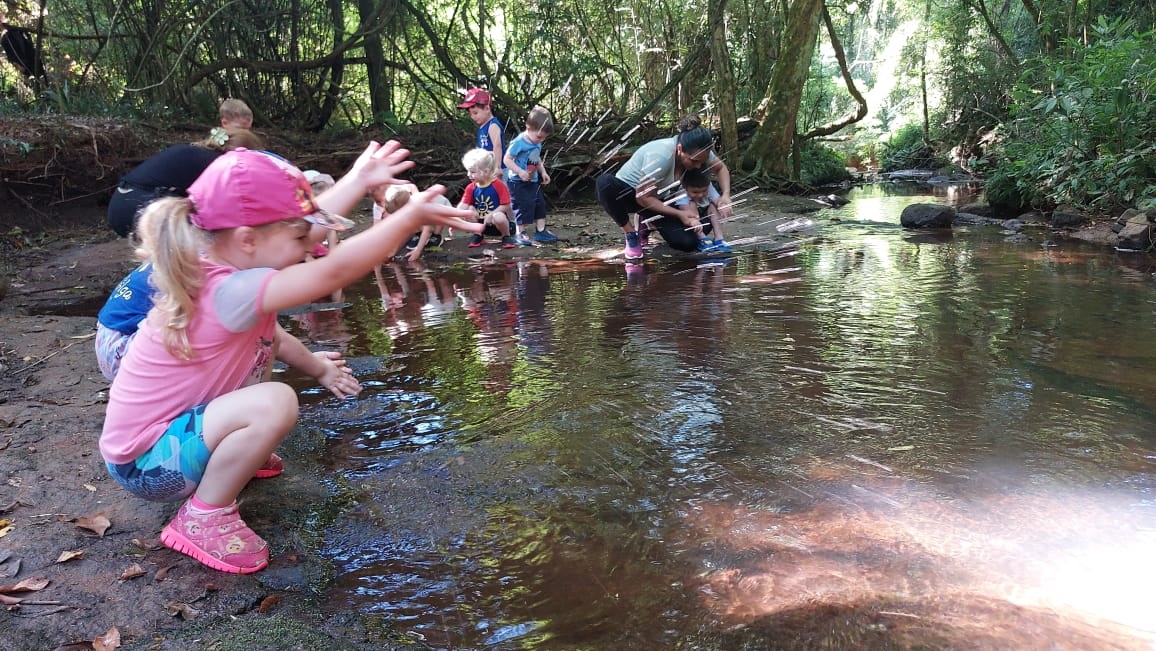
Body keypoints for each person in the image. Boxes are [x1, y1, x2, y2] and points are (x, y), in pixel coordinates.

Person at [99, 143, 481, 575]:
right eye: (300, 237)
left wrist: (357, 182)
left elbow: (293, 237)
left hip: (157, 450)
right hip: (146, 465)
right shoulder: (233, 291)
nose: (311, 242)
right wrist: (405, 219)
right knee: (275, 400)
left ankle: (233, 454)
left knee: (263, 356)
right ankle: (202, 516)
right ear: (247, 240)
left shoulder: (222, 260)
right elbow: (330, 272)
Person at [595, 115, 733, 261]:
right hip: (630, 194)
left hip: (659, 199)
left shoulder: (700, 152)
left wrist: (725, 195)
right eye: (694, 161)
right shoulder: (661, 154)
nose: (699, 166)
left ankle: (647, 223)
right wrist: (679, 214)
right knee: (604, 182)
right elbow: (643, 197)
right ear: (680, 149)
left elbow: (720, 168)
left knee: (687, 242)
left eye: (702, 161)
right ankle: (631, 235)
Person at [107, 127, 264, 238]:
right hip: (139, 207)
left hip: (121, 203)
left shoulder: (195, 153)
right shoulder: (217, 163)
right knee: (206, 237)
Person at [504, 105, 557, 245]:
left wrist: (543, 172)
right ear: (528, 128)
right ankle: (520, 232)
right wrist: (520, 171)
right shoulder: (519, 143)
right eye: (539, 137)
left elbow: (536, 158)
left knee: (539, 204)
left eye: (544, 138)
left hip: (532, 180)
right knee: (522, 206)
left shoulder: (537, 142)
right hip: (517, 182)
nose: (541, 140)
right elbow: (506, 159)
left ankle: (541, 231)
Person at [371, 183, 449, 261]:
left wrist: (418, 251)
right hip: (427, 211)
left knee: (433, 224)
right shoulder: (403, 206)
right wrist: (394, 251)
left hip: (441, 206)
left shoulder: (416, 206)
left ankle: (436, 236)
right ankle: (419, 234)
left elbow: (427, 229)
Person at [458, 148, 516, 249]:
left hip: (497, 224)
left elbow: (506, 205)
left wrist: (491, 214)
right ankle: (478, 234)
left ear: (486, 172)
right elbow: (463, 205)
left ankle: (506, 236)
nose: (468, 175)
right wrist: (454, 218)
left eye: (472, 172)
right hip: (481, 223)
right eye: (468, 171)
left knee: (498, 216)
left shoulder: (498, 185)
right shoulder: (471, 187)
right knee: (469, 209)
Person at [675, 167, 733, 254]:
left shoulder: (709, 187)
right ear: (684, 186)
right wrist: (693, 221)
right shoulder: (681, 193)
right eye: (695, 192)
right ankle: (702, 239)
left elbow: (717, 200)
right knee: (692, 203)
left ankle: (719, 238)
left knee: (714, 206)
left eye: (704, 191)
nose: (700, 195)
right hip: (689, 224)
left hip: (704, 221)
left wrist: (722, 206)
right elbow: (685, 210)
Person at [458, 87, 505, 177]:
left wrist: (497, 167)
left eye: (475, 113)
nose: (472, 117)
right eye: (470, 114)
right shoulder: (483, 127)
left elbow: (497, 146)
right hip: (486, 170)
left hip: (497, 170)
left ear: (487, 108)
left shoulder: (492, 125)